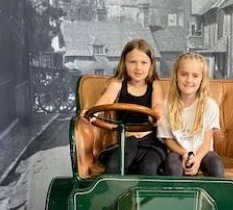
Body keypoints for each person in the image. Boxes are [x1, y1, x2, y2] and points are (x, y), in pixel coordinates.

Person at [82, 39, 166, 175]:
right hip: (125, 139)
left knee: (148, 168)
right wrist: (92, 113)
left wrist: (157, 115)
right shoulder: (117, 85)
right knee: (115, 166)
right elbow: (106, 100)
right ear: (124, 63)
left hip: (151, 141)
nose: (138, 68)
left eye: (143, 62)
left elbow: (158, 104)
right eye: (132, 62)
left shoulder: (155, 85)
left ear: (151, 64)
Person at [157, 52, 224, 177]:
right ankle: (176, 190)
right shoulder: (167, 105)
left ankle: (218, 190)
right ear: (176, 76)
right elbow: (168, 140)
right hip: (178, 152)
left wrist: (197, 158)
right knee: (173, 167)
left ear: (202, 79)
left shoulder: (210, 105)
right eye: (184, 74)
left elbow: (207, 140)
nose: (189, 80)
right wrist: (184, 154)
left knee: (216, 166)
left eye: (195, 76)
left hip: (203, 153)